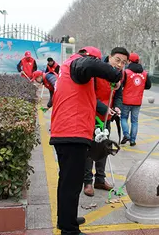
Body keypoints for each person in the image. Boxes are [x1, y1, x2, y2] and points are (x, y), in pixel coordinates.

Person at [49, 46, 122, 235]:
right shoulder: (77, 63)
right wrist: (114, 74)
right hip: (72, 133)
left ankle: (66, 219)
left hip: (66, 132)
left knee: (67, 182)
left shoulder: (68, 71)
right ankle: (69, 230)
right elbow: (89, 64)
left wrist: (105, 109)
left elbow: (86, 99)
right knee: (71, 185)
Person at [83, 47, 129, 197]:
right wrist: (103, 108)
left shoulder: (120, 75)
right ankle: (88, 181)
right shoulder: (96, 72)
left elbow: (119, 95)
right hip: (92, 116)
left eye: (123, 62)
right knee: (90, 149)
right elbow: (88, 95)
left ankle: (100, 179)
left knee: (104, 148)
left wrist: (117, 106)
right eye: (117, 60)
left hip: (107, 118)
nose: (120, 64)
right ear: (109, 57)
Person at [120, 52, 151, 146]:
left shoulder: (126, 72)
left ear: (129, 61)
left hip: (126, 100)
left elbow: (121, 84)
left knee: (124, 118)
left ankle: (126, 135)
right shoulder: (145, 74)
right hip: (137, 101)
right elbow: (148, 86)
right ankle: (133, 140)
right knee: (135, 121)